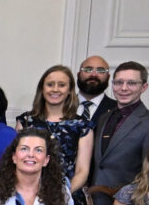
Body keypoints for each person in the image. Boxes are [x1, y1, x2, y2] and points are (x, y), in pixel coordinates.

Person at [89, 60, 149, 205]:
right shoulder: (104, 118)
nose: (123, 88)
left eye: (131, 83)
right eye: (118, 83)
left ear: (144, 87)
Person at [16, 64, 93, 192]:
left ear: (70, 90)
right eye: (50, 84)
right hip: (28, 193)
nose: (55, 89)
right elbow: (17, 161)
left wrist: (64, 195)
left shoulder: (82, 125)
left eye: (62, 85)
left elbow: (82, 171)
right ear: (42, 88)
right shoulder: (26, 121)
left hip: (67, 196)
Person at [77, 54, 113, 126]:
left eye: (100, 71)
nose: (93, 74)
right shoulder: (62, 105)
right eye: (88, 70)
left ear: (108, 77)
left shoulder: (116, 109)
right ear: (78, 75)